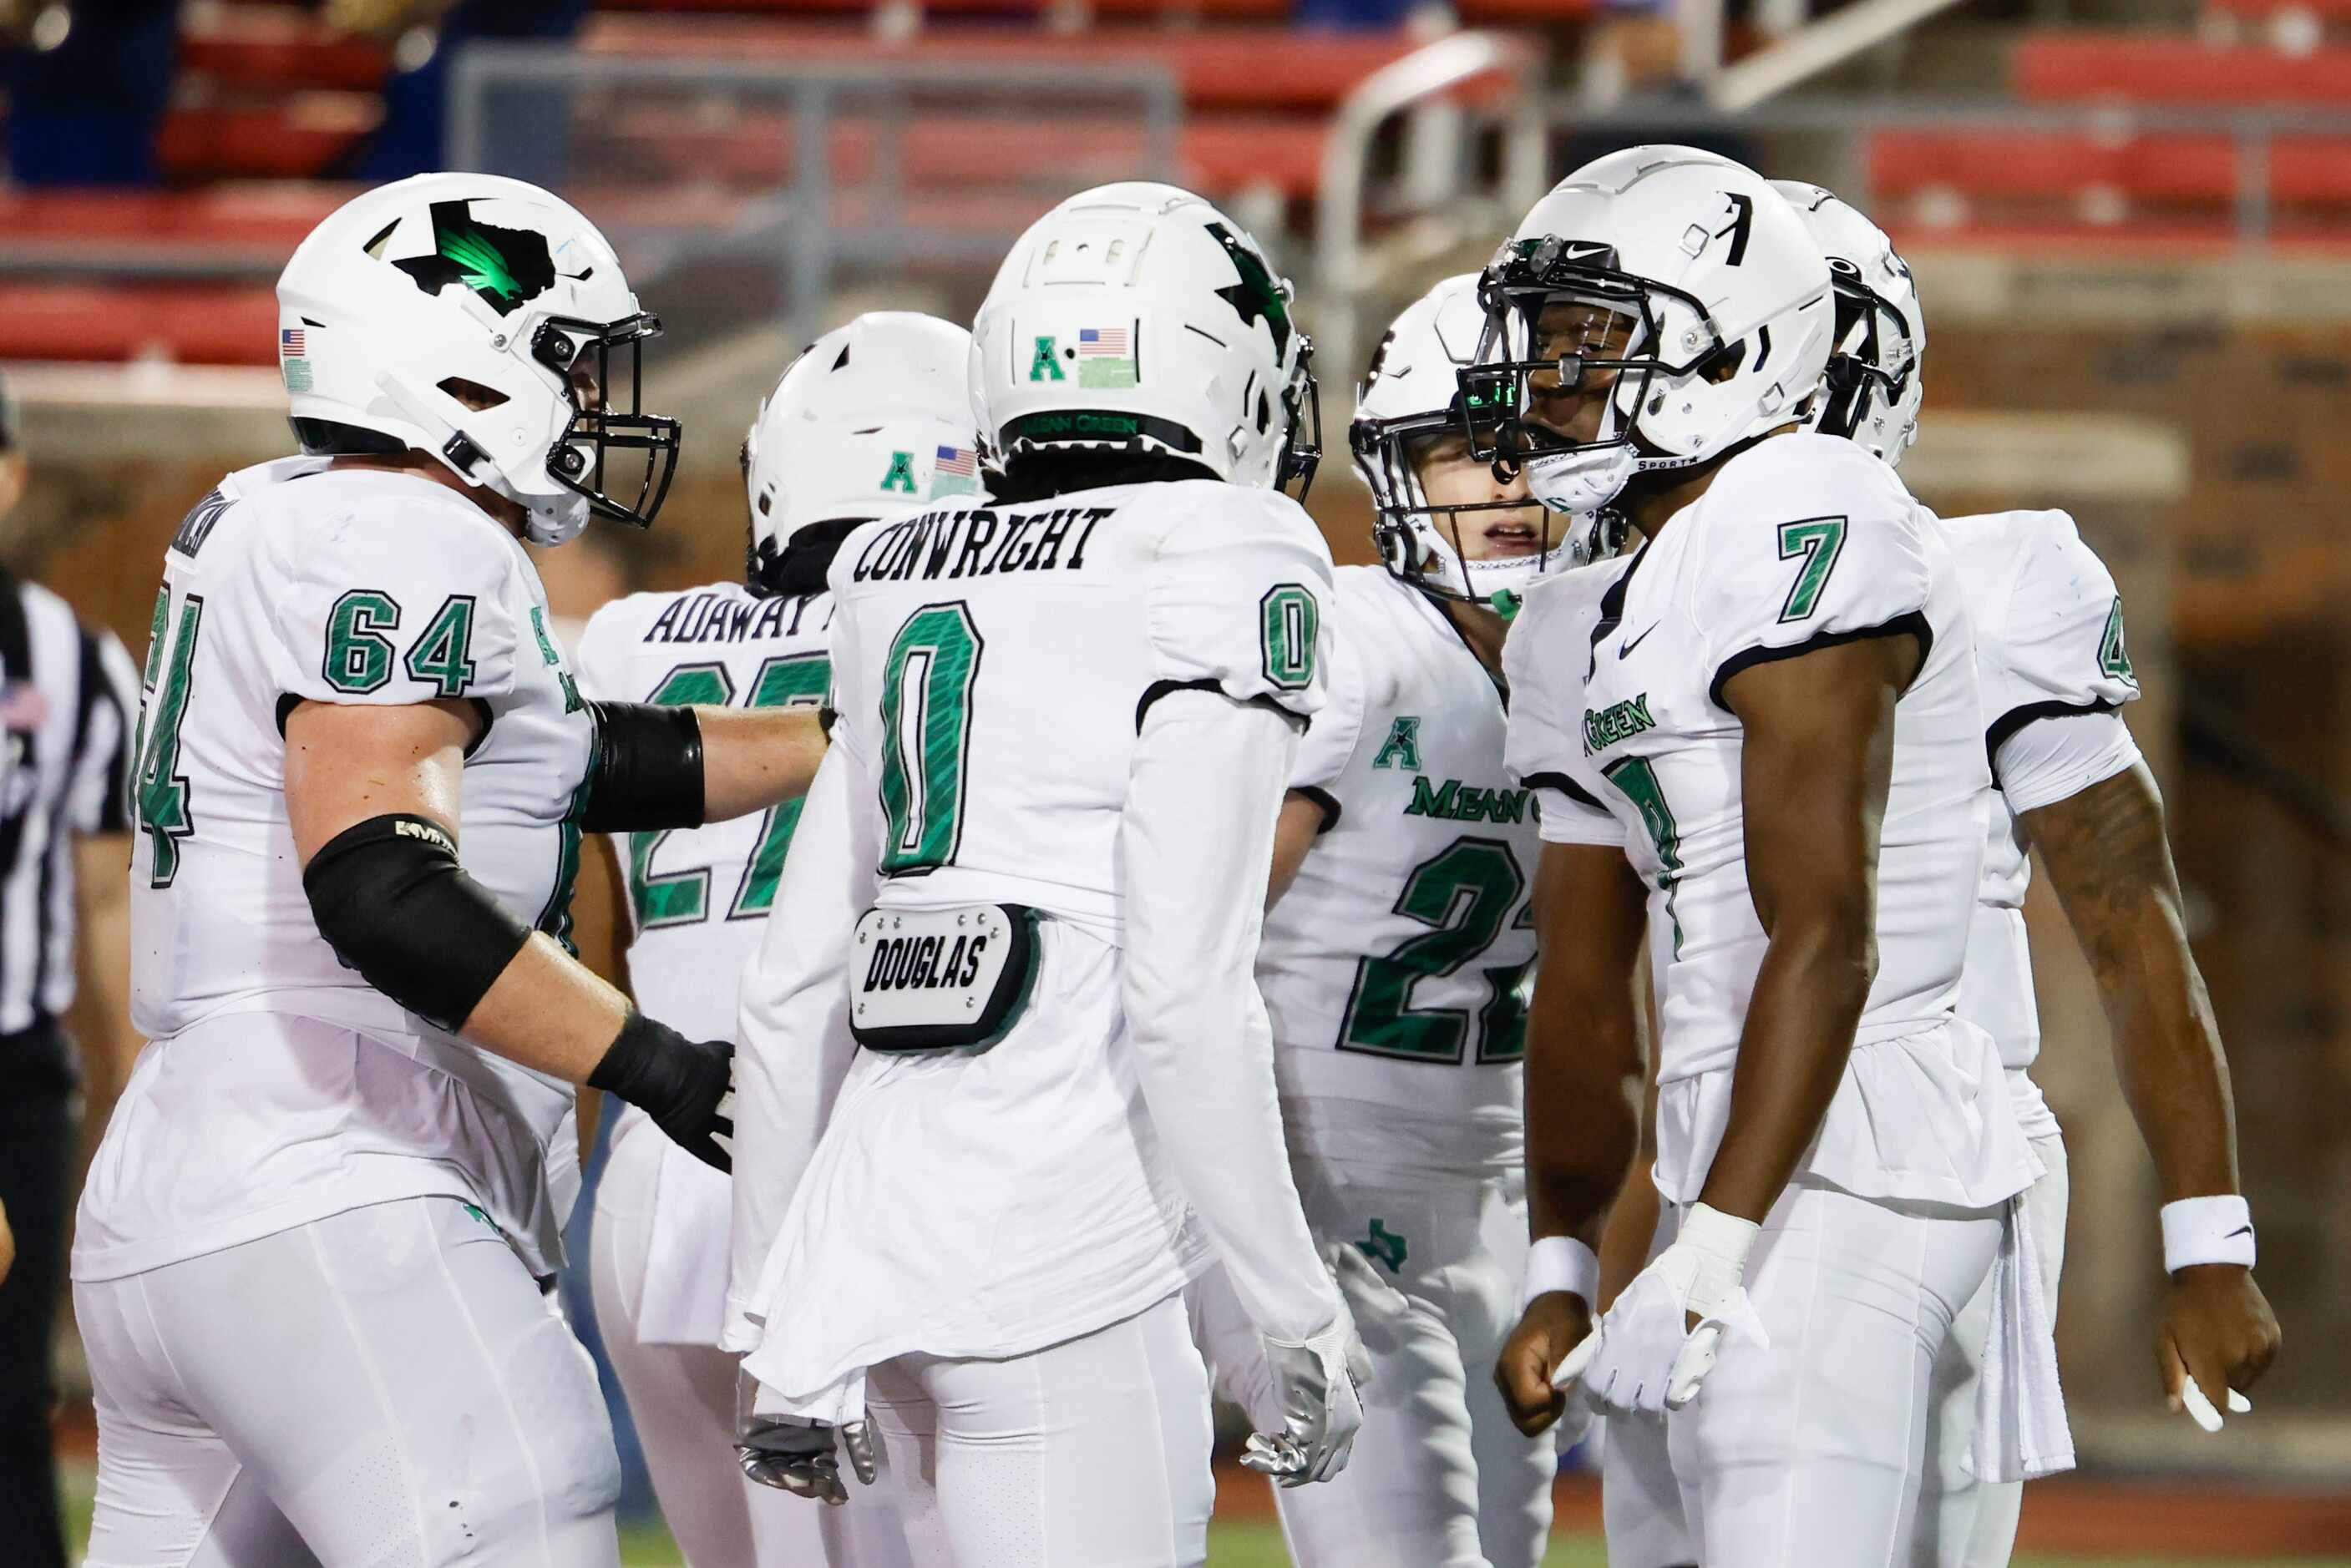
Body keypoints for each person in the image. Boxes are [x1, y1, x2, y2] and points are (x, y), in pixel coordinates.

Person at [71, 171, 828, 1566]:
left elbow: (572, 762)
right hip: (344, 1177)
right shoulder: (404, 533)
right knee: (522, 1515)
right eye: (567, 361)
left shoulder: (271, 510)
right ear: (464, 370)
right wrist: (663, 1066)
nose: (594, 403)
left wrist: (842, 738)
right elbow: (381, 881)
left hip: (198, 1192)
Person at [725, 180, 1366, 1565]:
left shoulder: (893, 566)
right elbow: (1186, 997)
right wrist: (1294, 1303)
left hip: (859, 1253)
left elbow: (788, 994)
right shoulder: (1224, 550)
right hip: (1057, 1250)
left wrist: (775, 1309)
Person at [1483, 147, 2038, 1567]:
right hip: (1726, 1147)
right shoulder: (1580, 605)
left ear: (1730, 345)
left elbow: (1827, 929)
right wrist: (1563, 1255)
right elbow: (1588, 984)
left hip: (1860, 1145)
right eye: (1541, 337)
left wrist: (1721, 1248)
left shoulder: (1807, 507)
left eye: (1590, 339)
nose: (1544, 377)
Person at [1773, 180, 2279, 1567]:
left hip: (1935, 1141)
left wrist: (2208, 1235)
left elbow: (2130, 921)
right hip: (1717, 1127)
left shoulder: (1990, 582)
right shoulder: (1620, 605)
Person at [1190, 274, 1604, 1568]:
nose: (1503, 488)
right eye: (1460, 455)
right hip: (1320, 1178)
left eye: (1534, 453)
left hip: (1495, 1194)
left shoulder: (1600, 654)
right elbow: (1198, 915)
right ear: (1397, 473)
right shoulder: (1359, 637)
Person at [578, 310, 977, 1568]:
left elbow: (590, 943)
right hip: (833, 1158)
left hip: (652, 1172)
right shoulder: (941, 639)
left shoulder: (628, 636)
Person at [0, 370, 141, 1568]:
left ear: (13, 473)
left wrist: (140, 1080)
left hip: (15, 1063)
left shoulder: (76, 662)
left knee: (9, 1380)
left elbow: (105, 893)